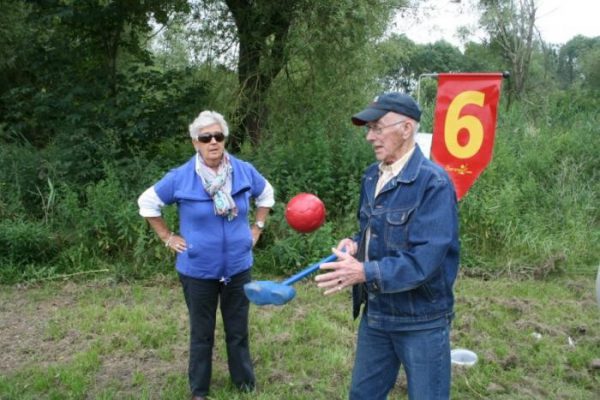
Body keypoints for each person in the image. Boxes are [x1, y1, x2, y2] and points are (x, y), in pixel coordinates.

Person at [315, 93, 460, 400]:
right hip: (377, 314)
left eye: (378, 127)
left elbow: (425, 260)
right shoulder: (372, 176)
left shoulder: (433, 183)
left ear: (406, 128)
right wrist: (356, 244)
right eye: (369, 129)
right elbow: (373, 230)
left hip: (421, 319)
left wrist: (364, 272)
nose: (370, 137)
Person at [137, 110, 274, 400]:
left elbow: (267, 195)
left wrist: (257, 228)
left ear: (224, 139)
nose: (213, 142)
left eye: (218, 136)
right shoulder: (181, 177)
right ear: (195, 143)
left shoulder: (243, 170)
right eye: (205, 137)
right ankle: (199, 390)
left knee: (238, 330)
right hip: (197, 270)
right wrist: (167, 236)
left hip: (238, 267)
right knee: (202, 333)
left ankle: (244, 384)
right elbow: (147, 203)